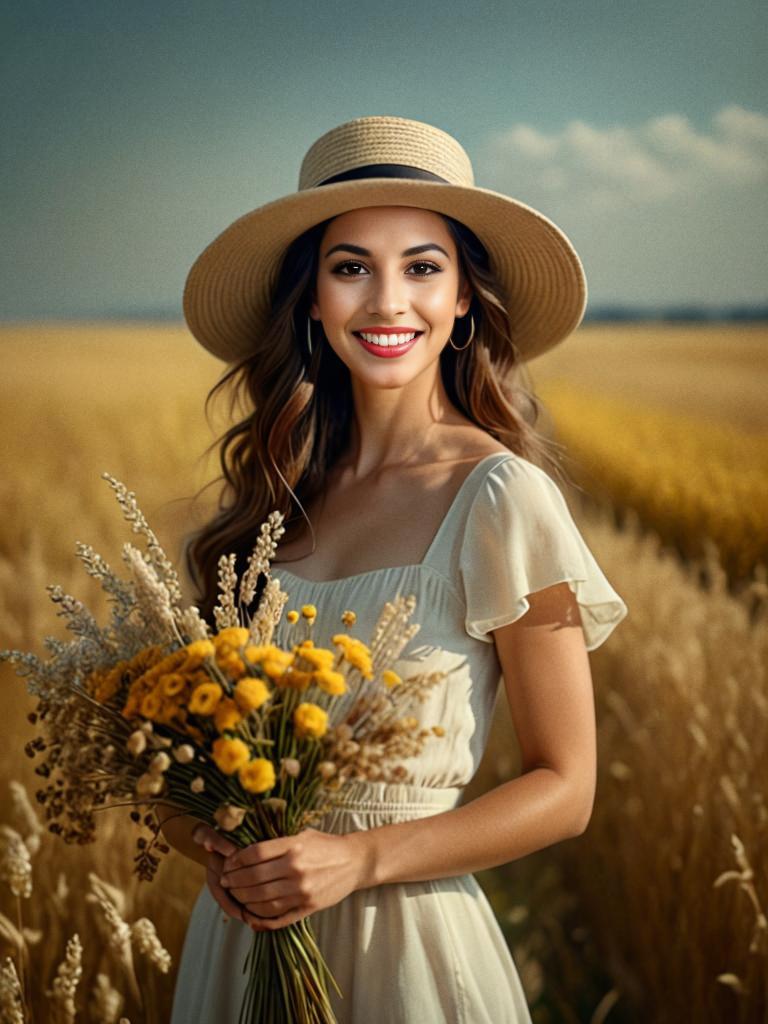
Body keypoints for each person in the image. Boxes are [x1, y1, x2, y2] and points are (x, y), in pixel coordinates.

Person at [161, 114, 629, 1023]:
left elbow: (567, 789)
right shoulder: (273, 502)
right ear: (310, 298)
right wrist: (214, 843)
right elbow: (186, 767)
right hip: (241, 950)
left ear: (462, 300)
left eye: (422, 266)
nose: (386, 302)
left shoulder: (503, 497)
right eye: (350, 267)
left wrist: (361, 858)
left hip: (407, 952)